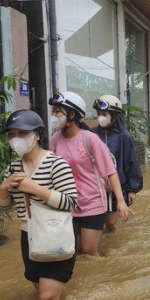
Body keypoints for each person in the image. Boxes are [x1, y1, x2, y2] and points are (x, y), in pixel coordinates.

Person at [0, 109, 78, 300]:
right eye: (11, 135)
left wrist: (34, 188)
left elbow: (71, 202)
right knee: (39, 289)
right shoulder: (13, 168)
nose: (16, 139)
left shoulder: (57, 164)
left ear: (38, 135)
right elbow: (3, 208)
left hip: (55, 233)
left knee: (46, 298)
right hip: (28, 236)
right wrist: (3, 188)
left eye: (22, 133)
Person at [48, 91, 131, 257]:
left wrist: (121, 202)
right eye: (54, 111)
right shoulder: (55, 140)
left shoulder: (90, 139)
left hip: (92, 204)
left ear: (72, 114)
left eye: (58, 111)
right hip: (67, 204)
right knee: (73, 252)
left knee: (88, 252)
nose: (53, 116)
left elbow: (111, 171)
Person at [91, 94, 143, 232]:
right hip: (95, 188)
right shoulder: (92, 135)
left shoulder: (124, 137)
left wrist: (132, 189)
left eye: (104, 114)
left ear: (115, 115)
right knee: (95, 224)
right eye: (99, 114)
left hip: (115, 190)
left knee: (111, 223)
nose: (101, 117)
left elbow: (131, 162)